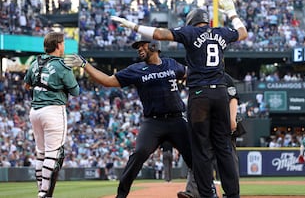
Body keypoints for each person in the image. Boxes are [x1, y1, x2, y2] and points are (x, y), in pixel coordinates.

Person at [111, 0, 247, 197]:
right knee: (224, 146)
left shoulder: (190, 32)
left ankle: (207, 195)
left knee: (200, 148)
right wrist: (232, 13)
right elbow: (243, 34)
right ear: (207, 21)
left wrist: (133, 26)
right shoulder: (220, 32)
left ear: (191, 22)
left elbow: (158, 34)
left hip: (200, 95)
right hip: (220, 93)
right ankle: (233, 195)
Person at [64, 38, 193, 198]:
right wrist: (85, 65)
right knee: (138, 153)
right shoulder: (136, 69)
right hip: (153, 122)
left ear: (155, 46)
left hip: (177, 120)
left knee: (195, 157)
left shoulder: (171, 64)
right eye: (137, 47)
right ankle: (121, 195)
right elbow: (108, 81)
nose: (139, 49)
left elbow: (191, 73)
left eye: (142, 45)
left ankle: (206, 192)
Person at [23, 31, 80, 198]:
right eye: (62, 43)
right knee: (52, 153)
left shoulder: (35, 62)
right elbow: (76, 91)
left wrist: (42, 88)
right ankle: (43, 193)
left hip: (35, 112)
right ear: (58, 45)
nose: (64, 46)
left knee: (40, 153)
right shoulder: (61, 65)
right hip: (53, 110)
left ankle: (41, 189)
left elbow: (27, 86)